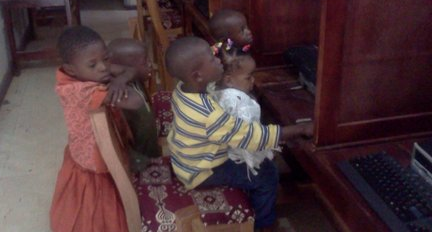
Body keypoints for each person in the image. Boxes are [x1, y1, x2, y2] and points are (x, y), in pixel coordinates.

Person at [164, 36, 313, 231]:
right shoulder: (209, 114)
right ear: (198, 75)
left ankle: (250, 198)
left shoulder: (182, 90)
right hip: (202, 171)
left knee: (251, 161)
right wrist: (300, 128)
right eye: (212, 59)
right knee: (267, 173)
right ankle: (264, 224)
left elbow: (212, 87)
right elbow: (252, 137)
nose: (218, 60)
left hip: (186, 160)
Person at [50, 26, 143, 232]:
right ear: (71, 69)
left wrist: (118, 79)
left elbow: (130, 70)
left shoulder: (85, 72)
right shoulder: (85, 91)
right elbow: (136, 102)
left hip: (89, 141)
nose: (103, 68)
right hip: (95, 152)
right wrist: (118, 84)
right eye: (93, 65)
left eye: (106, 59)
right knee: (96, 206)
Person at [213, 46, 277, 177]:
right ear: (229, 80)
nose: (253, 80)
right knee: (269, 175)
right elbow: (249, 137)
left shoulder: (218, 93)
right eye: (248, 77)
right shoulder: (239, 103)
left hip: (218, 154)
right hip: (234, 159)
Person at [107, 38, 161, 171]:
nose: (151, 64)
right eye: (145, 62)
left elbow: (132, 72)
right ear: (119, 66)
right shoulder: (122, 96)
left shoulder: (130, 79)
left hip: (150, 145)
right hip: (143, 159)